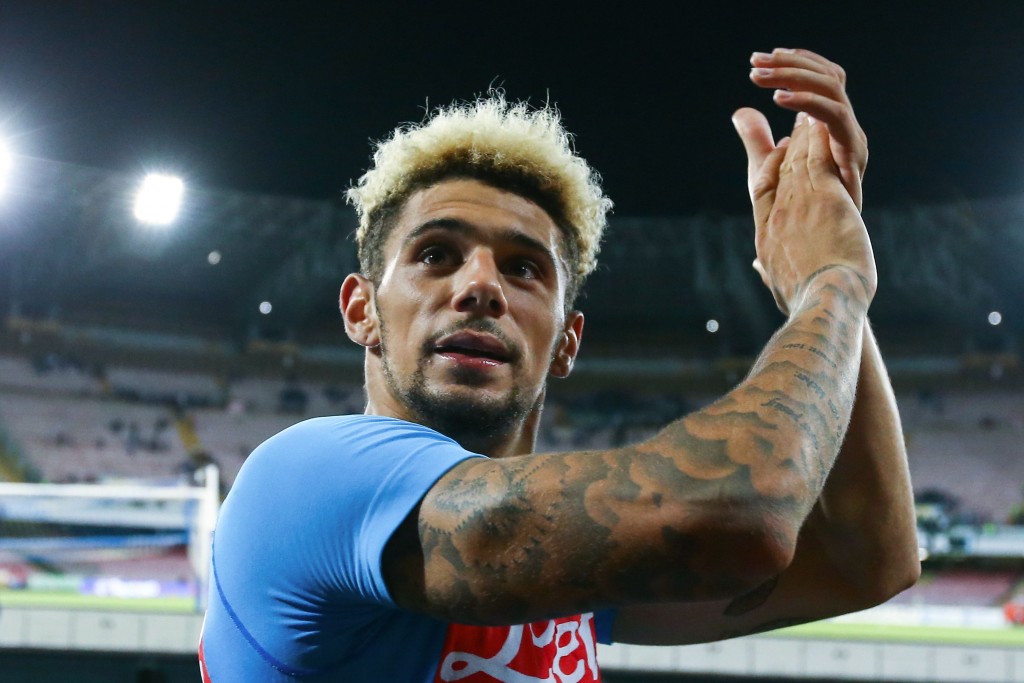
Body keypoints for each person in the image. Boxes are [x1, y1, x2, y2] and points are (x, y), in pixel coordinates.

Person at [199, 48, 920, 682]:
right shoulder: (309, 477)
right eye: (435, 254)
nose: (480, 286)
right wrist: (833, 282)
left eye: (524, 268)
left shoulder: (554, 552)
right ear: (362, 310)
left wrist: (823, 270)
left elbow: (865, 562)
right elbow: (741, 513)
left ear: (568, 341)